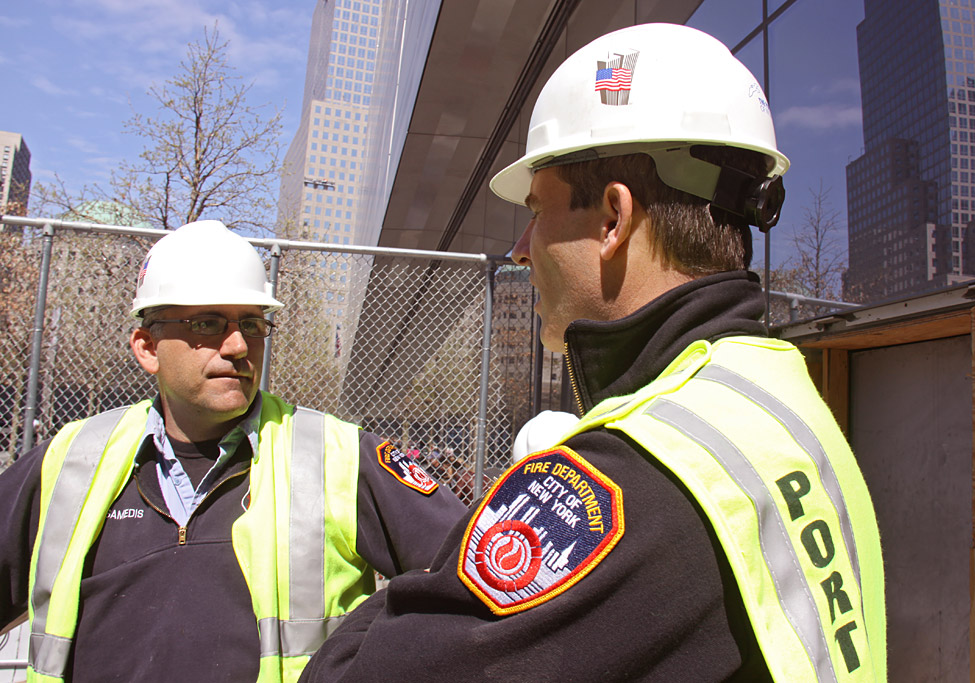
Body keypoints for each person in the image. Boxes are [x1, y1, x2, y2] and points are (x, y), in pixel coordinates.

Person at [299, 23, 886, 682]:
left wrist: (450, 562)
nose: (522, 247)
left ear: (612, 218)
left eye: (537, 211)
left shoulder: (631, 480)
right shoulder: (786, 409)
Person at [0, 220, 467, 682]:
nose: (240, 345)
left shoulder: (338, 456)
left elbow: (480, 586)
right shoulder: (70, 460)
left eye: (251, 324)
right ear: (147, 348)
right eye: (207, 323)